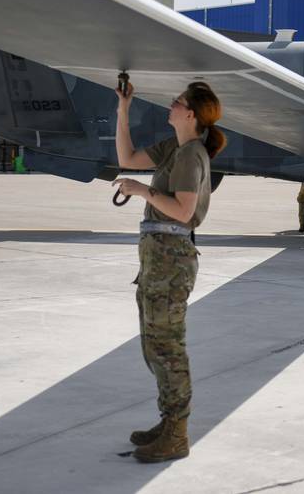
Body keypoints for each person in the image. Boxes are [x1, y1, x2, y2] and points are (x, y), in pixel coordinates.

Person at [112, 80, 226, 463]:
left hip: (172, 260)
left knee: (167, 347)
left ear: (190, 114)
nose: (171, 105)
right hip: (157, 258)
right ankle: (168, 420)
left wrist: (141, 191)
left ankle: (177, 433)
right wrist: (122, 108)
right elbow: (126, 156)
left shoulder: (192, 155)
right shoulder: (173, 149)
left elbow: (182, 211)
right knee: (153, 345)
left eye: (177, 102)